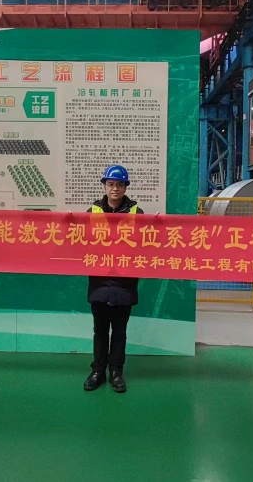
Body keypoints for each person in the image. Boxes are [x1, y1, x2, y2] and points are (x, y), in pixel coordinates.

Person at [83, 165, 144, 394]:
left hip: (123, 284)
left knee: (119, 332)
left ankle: (116, 372)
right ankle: (97, 372)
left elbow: (147, 244)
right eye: (110, 184)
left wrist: (157, 226)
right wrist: (69, 223)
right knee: (100, 331)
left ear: (125, 187)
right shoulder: (91, 212)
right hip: (100, 283)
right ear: (105, 186)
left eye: (119, 185)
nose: (115, 189)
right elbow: (80, 242)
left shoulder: (137, 213)